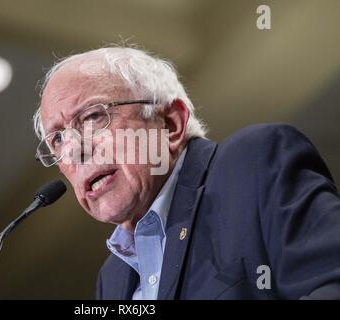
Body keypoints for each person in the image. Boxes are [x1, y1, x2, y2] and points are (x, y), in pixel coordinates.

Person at [33, 46, 340, 299]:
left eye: (92, 117)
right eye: (57, 138)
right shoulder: (112, 279)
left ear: (170, 124)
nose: (73, 149)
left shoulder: (253, 165)